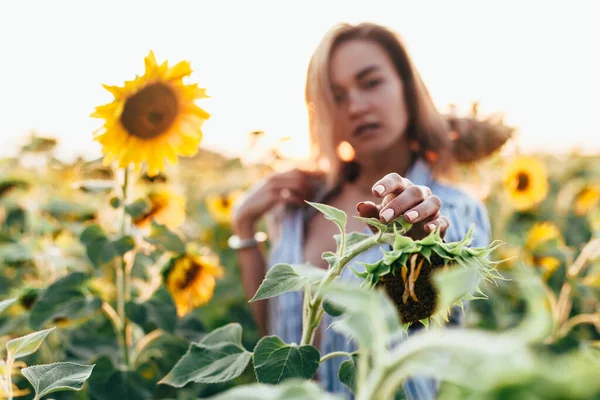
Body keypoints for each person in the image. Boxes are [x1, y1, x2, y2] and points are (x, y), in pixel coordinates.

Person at [231, 22, 493, 399]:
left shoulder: (452, 208)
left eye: (371, 83)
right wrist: (243, 227)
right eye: (336, 96)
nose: (356, 106)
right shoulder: (298, 206)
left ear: (406, 87)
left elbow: (426, 331)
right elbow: (278, 338)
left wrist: (424, 252)